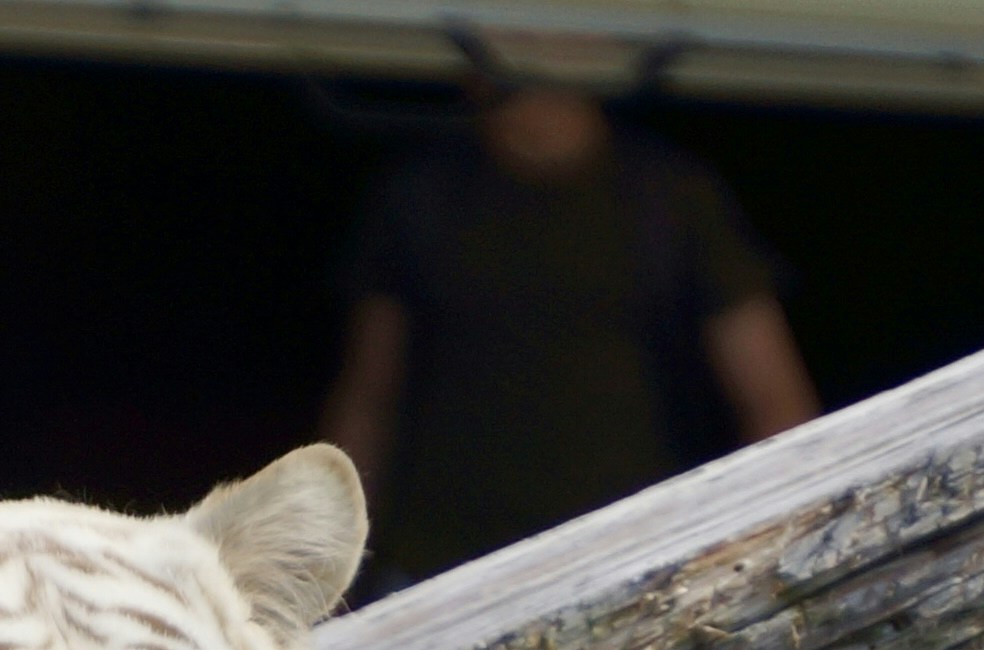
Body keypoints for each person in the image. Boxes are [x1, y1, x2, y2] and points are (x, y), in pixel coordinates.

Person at [319, 73, 819, 584]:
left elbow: (774, 399)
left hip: (624, 564)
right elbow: (370, 393)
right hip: (438, 566)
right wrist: (326, 569)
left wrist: (747, 564)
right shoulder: (423, 195)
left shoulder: (668, 196)